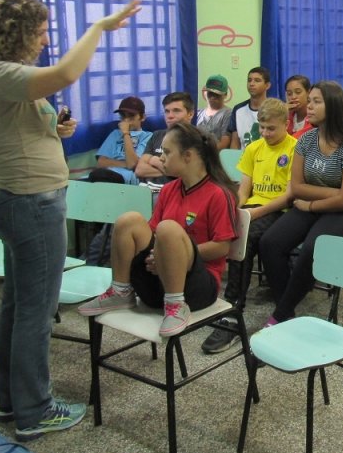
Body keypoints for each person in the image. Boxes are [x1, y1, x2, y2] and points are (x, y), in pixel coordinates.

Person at [0, 0, 139, 441]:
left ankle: (14, 402)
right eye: (40, 32)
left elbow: (25, 129)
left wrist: (56, 130)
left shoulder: (2, 77)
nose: (44, 40)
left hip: (23, 198)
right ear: (18, 34)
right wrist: (99, 28)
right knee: (36, 313)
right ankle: (35, 410)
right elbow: (65, 72)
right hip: (30, 202)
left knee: (20, 304)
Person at [79, 123, 239, 338]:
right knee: (129, 220)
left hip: (197, 289)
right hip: (158, 284)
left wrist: (171, 258)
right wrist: (161, 258)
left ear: (188, 156)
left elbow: (222, 247)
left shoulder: (218, 194)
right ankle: (120, 291)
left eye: (167, 152)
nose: (161, 157)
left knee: (168, 229)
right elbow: (151, 233)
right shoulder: (169, 190)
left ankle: (176, 306)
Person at [259, 81, 343, 326]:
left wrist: (312, 205)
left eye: (316, 101)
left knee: (312, 248)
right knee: (270, 243)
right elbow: (297, 187)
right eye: (309, 100)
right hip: (312, 201)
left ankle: (280, 314)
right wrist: (332, 193)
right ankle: (286, 308)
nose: (308, 106)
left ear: (333, 107)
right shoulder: (307, 140)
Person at [200, 98, 296, 354]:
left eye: (271, 129)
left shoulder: (295, 148)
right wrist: (238, 210)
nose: (265, 133)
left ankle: (233, 309)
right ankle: (223, 300)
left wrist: (253, 215)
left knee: (246, 237)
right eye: (262, 127)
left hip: (280, 210)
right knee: (229, 230)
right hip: (252, 208)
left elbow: (288, 197)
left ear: (285, 124)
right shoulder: (254, 148)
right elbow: (244, 189)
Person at [134, 91, 196, 185]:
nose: (170, 116)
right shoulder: (157, 135)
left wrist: (154, 161)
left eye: (176, 111)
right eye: (167, 111)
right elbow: (139, 170)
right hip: (146, 191)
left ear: (190, 114)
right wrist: (171, 171)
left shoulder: (198, 139)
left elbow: (190, 174)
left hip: (176, 193)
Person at [90, 96, 152, 184]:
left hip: (128, 178)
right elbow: (101, 163)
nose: (126, 121)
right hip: (105, 174)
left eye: (131, 116)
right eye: (123, 117)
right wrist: (125, 164)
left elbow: (133, 164)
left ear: (143, 117)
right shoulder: (115, 134)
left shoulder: (148, 136)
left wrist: (126, 133)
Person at [229, 66, 271, 150]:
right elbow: (235, 143)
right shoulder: (238, 110)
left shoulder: (274, 109)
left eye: (257, 80)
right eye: (249, 80)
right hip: (244, 159)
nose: (251, 84)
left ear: (267, 85)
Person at [196, 74, 232, 151]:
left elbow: (224, 144)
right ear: (205, 93)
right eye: (210, 93)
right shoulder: (198, 113)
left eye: (217, 94)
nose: (212, 97)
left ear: (225, 95)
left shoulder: (228, 114)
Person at [284, 74, 314, 139]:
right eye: (289, 94)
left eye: (298, 92)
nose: (293, 97)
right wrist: (283, 113)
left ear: (308, 93)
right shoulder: (286, 115)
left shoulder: (315, 117)